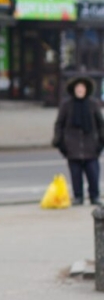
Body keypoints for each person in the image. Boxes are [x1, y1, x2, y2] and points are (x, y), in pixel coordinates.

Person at [52, 76, 104, 206]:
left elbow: (101, 124)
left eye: (82, 88)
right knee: (75, 175)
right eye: (78, 88)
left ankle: (94, 196)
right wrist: (60, 143)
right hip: (72, 147)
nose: (80, 90)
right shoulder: (66, 105)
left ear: (86, 89)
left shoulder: (93, 104)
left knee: (93, 174)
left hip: (91, 147)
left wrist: (100, 143)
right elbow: (59, 124)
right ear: (73, 89)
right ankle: (78, 196)